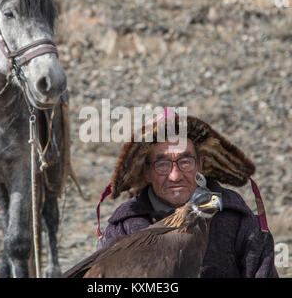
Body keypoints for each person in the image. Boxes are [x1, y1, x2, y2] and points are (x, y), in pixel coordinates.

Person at [96, 110, 279, 277]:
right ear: (147, 173)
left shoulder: (238, 221)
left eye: (185, 162)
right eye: (162, 165)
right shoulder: (123, 229)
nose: (175, 176)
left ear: (200, 165)